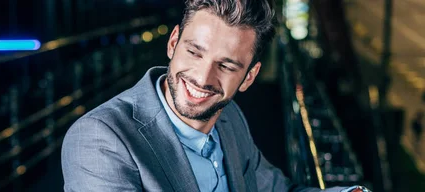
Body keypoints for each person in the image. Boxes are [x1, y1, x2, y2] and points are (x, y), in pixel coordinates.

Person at [62, 0, 368, 191]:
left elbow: (276, 188)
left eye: (226, 65)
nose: (202, 78)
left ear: (248, 77)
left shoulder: (229, 118)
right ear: (173, 43)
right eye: (194, 52)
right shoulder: (99, 139)